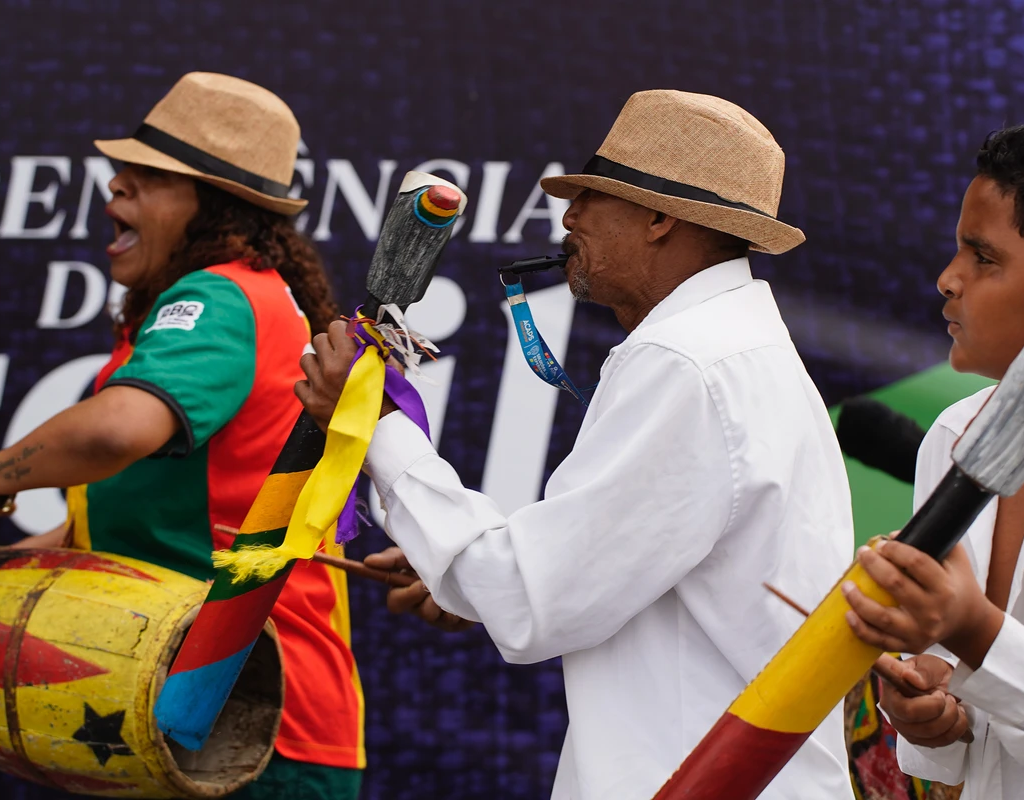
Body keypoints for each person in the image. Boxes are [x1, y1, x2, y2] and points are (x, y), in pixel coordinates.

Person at [297, 90, 855, 799]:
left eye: (592, 198)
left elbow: (529, 598)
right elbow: (593, 578)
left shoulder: (687, 363)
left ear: (659, 218)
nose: (569, 218)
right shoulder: (733, 352)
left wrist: (373, 422)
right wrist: (462, 572)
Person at [0, 73, 365, 799]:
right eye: (124, 171)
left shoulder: (223, 293)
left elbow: (117, 430)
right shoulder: (224, 303)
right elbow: (133, 524)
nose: (115, 188)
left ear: (217, 207)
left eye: (150, 178)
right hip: (197, 716)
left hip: (247, 729)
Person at [843, 124, 1024, 800]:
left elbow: (984, 647)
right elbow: (975, 720)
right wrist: (935, 714)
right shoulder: (955, 435)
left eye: (983, 257)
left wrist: (974, 629)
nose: (947, 278)